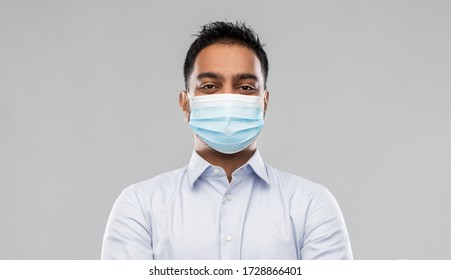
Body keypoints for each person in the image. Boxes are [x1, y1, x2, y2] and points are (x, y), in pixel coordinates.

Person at [101, 21, 353, 260]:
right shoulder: (140, 206)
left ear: (263, 104)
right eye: (210, 86)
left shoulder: (312, 206)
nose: (228, 100)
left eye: (245, 87)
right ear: (185, 103)